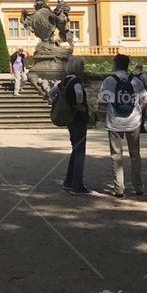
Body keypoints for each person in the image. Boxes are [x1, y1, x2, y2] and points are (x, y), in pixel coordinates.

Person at [98, 53, 147, 198]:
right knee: (135, 155)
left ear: (115, 64)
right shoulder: (136, 81)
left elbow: (102, 101)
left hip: (114, 122)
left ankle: (119, 189)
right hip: (133, 122)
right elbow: (146, 100)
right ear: (128, 65)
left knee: (116, 156)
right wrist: (140, 114)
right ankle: (138, 187)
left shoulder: (109, 80)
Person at [61, 56, 91, 195]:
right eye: (82, 67)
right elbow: (79, 93)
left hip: (69, 119)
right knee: (79, 152)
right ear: (78, 68)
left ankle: (69, 181)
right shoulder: (77, 81)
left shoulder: (65, 80)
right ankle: (77, 186)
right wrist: (80, 106)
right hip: (79, 119)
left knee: (75, 150)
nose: (84, 69)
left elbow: (51, 93)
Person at [133, 64, 147, 133]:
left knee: (133, 111)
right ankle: (141, 127)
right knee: (142, 111)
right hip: (141, 94)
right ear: (141, 69)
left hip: (132, 95)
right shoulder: (143, 75)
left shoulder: (130, 75)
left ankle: (133, 126)